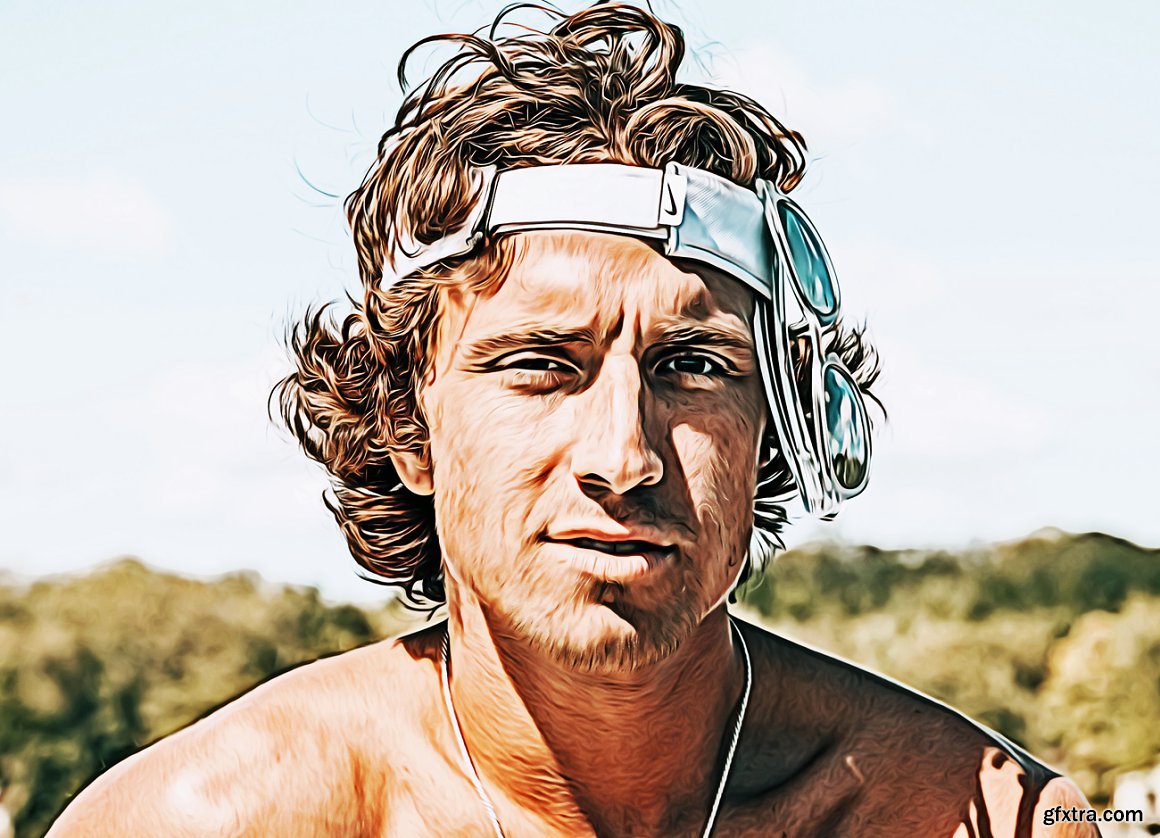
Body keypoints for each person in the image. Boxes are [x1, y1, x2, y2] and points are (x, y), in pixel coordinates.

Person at [49, 4, 1099, 836]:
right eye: (539, 366)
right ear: (408, 425)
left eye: (694, 367)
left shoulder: (965, 817)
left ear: (776, 425)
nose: (622, 455)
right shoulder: (206, 822)